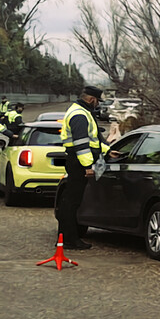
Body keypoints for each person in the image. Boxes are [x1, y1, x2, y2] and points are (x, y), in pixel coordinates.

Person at [57, 85, 112, 250]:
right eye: (97, 101)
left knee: (70, 201)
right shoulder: (80, 115)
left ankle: (66, 238)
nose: (98, 105)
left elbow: (93, 141)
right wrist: (87, 166)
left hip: (76, 162)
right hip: (78, 163)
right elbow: (82, 145)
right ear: (92, 99)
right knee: (72, 202)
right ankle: (69, 239)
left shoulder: (81, 112)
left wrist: (109, 150)